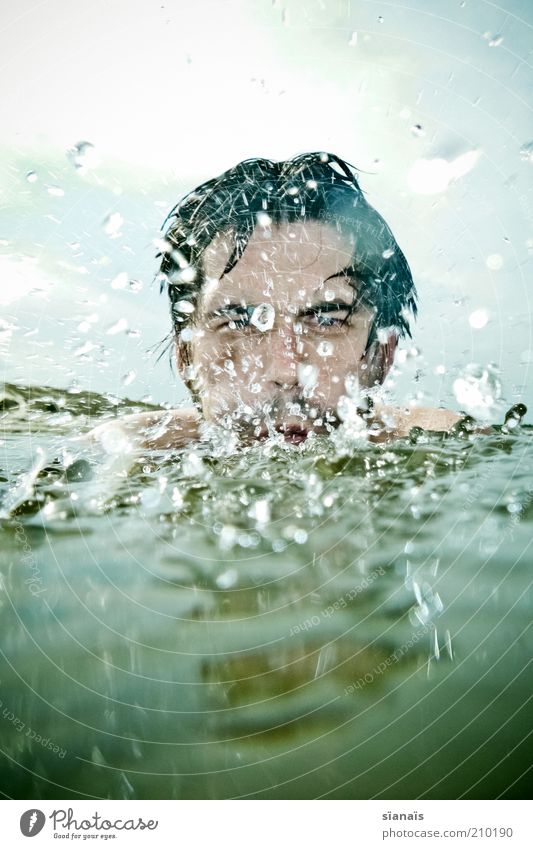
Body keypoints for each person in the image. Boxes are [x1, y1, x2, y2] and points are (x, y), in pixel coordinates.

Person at [89, 152, 462, 451]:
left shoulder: (442, 445)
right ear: (186, 357)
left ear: (382, 356)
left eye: (327, 319)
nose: (286, 373)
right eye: (238, 322)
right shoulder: (132, 447)